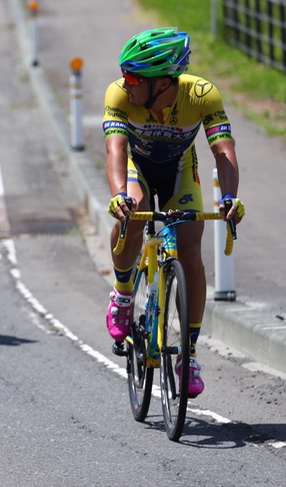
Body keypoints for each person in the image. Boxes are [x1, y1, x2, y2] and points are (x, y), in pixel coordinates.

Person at [102, 27, 245, 397]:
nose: (125, 82)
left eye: (133, 77)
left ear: (163, 82)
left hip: (181, 169)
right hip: (138, 167)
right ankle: (121, 296)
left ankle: (189, 354)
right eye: (124, 74)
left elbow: (223, 151)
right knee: (132, 213)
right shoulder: (119, 95)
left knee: (191, 253)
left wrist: (229, 197)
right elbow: (116, 151)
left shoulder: (201, 95)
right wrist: (119, 195)